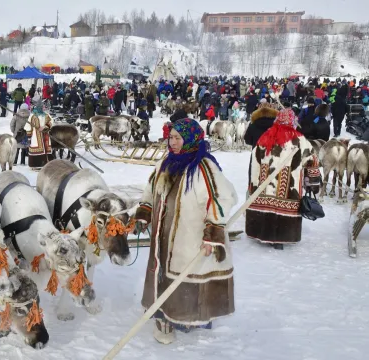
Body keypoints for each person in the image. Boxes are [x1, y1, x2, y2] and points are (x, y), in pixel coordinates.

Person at [134, 118, 237, 344]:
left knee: (187, 273)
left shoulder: (204, 167)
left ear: (190, 139)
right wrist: (144, 211)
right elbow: (151, 190)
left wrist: (213, 234)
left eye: (177, 138)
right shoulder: (166, 164)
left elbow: (222, 198)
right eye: (170, 137)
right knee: (164, 271)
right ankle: (165, 312)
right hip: (164, 234)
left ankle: (189, 316)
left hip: (190, 235)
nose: (172, 142)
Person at [246, 109, 321, 250]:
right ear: (292, 121)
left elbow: (255, 161)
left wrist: (253, 182)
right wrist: (313, 182)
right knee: (283, 207)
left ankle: (263, 234)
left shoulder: (265, 137)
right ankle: (281, 237)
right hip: (288, 187)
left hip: (264, 184)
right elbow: (312, 160)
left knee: (266, 205)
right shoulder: (299, 140)